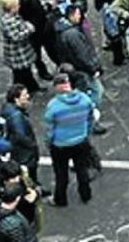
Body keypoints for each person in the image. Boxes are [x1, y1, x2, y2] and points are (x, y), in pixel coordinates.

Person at [42, 72, 94, 207]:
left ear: (57, 87)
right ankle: (85, 194)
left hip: (60, 144)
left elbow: (49, 129)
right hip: (81, 141)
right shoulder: (84, 99)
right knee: (82, 169)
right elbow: (90, 119)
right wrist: (86, 133)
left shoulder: (53, 105)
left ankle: (60, 199)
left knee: (61, 174)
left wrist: (49, 142)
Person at [0, 84, 43, 193]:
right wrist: (32, 146)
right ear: (16, 98)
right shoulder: (16, 116)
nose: (27, 96)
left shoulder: (7, 110)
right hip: (24, 153)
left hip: (15, 150)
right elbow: (21, 136)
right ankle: (31, 189)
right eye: (24, 95)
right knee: (28, 171)